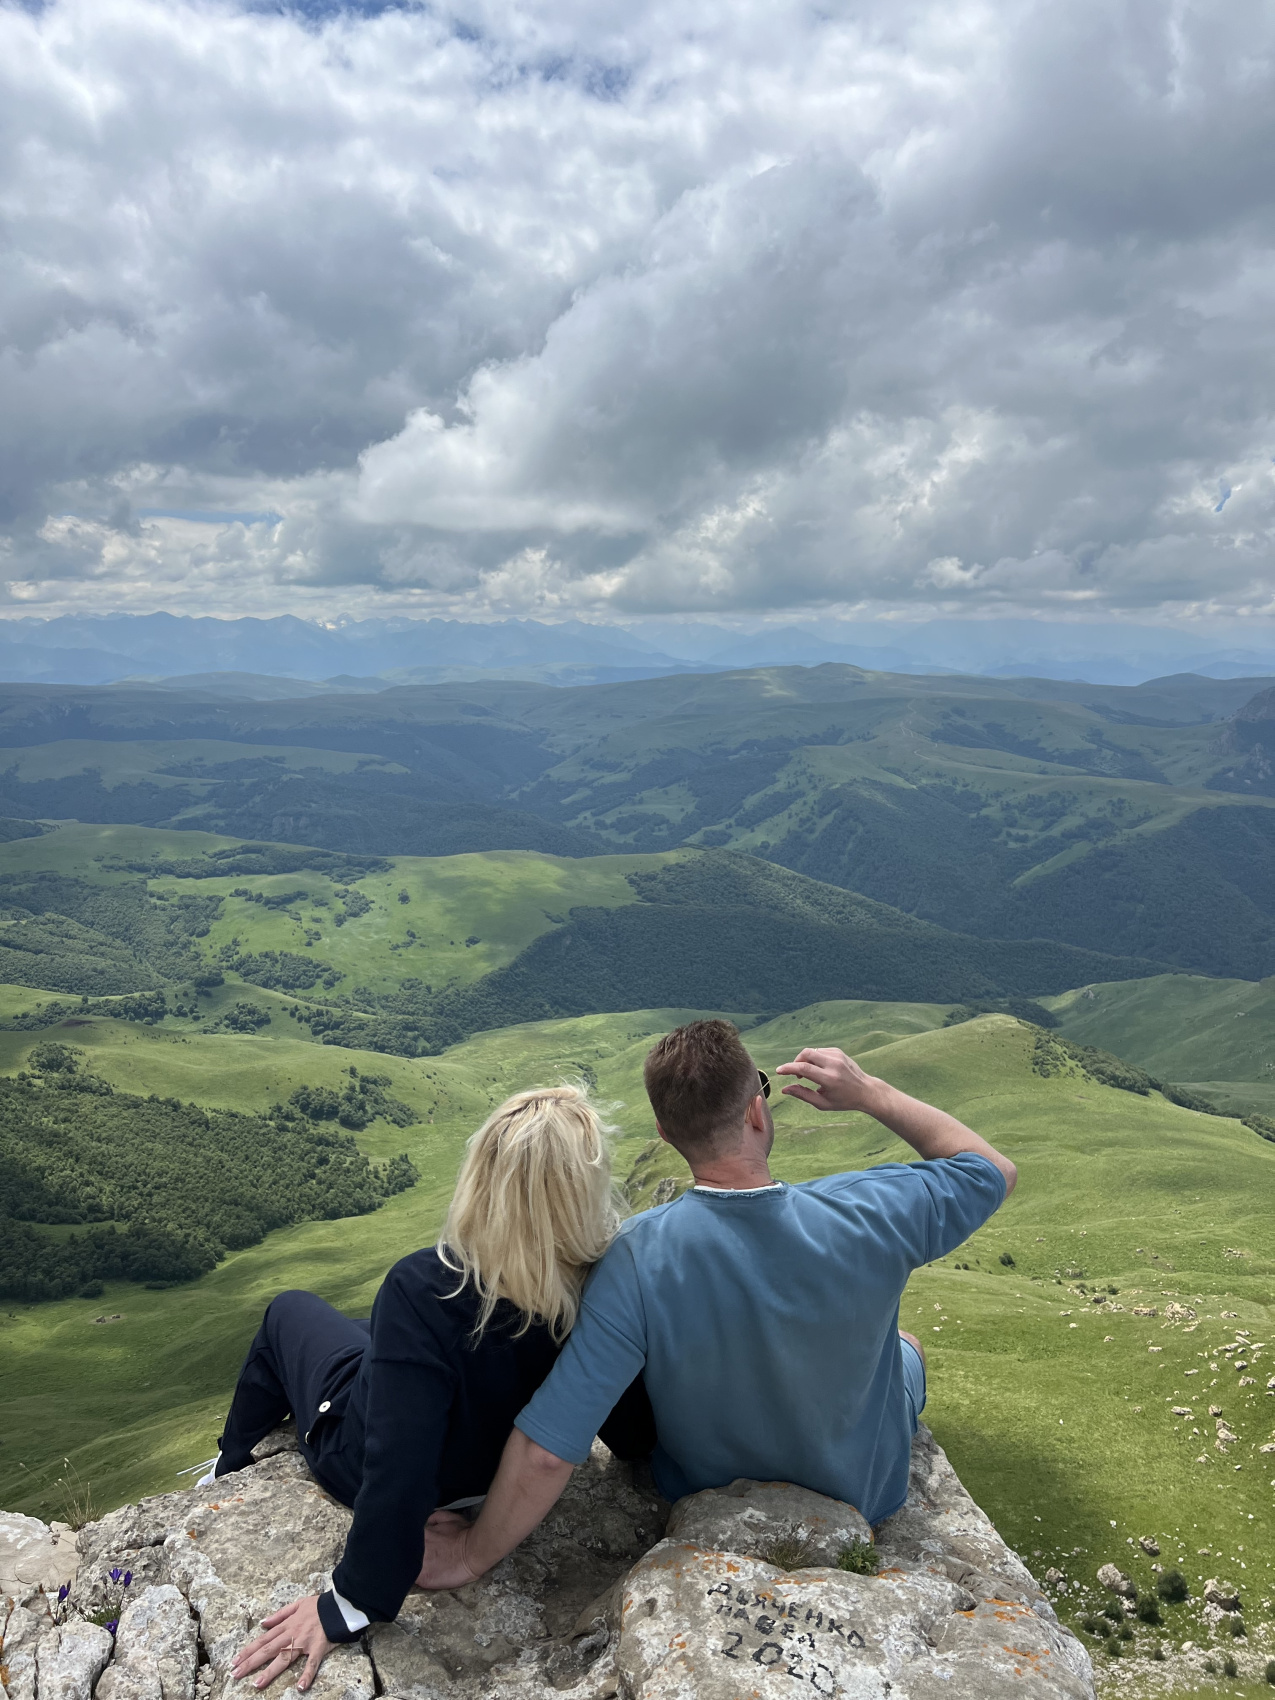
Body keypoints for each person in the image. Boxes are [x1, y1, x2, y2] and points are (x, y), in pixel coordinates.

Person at [416, 1019, 1016, 1591]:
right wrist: (871, 1093)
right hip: (869, 1493)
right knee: (905, 1347)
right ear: (757, 1109)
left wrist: (472, 1555)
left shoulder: (633, 1258)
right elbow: (993, 1169)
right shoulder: (875, 1209)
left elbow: (549, 1449)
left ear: (664, 1132)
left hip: (706, 1497)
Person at [220, 1085, 653, 1693]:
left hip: (359, 1451)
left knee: (289, 1311)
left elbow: (397, 1467)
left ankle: (228, 1464)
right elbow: (633, 1434)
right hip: (494, 1476)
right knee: (365, 1334)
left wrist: (350, 1601)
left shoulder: (425, 1287)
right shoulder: (598, 1283)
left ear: (483, 1179)